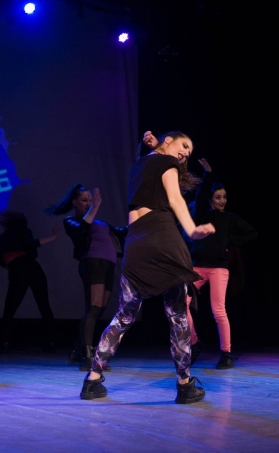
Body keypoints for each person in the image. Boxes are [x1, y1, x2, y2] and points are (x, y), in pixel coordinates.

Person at [79, 130, 215, 404]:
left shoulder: (139, 165)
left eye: (189, 152)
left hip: (136, 243)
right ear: (168, 140)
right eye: (184, 145)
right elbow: (175, 199)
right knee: (177, 316)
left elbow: (150, 164)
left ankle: (92, 380)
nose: (185, 153)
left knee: (123, 316)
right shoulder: (167, 163)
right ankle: (185, 385)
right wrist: (191, 230)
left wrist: (151, 146)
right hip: (163, 239)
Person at [181, 157, 258, 369]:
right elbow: (200, 194)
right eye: (218, 197)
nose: (222, 201)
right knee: (181, 303)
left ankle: (226, 353)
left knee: (218, 310)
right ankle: (194, 343)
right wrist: (207, 174)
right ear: (210, 199)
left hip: (218, 268)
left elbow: (253, 233)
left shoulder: (230, 218)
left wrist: (230, 241)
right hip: (197, 266)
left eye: (224, 197)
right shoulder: (202, 214)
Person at [43, 184, 127, 371]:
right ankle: (88, 357)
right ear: (74, 202)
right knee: (94, 308)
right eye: (84, 200)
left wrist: (141, 219)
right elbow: (81, 229)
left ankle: (77, 350)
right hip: (93, 263)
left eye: (90, 200)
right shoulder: (71, 220)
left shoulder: (99, 222)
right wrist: (94, 207)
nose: (89, 203)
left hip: (109, 265)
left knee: (99, 310)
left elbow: (121, 231)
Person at [0, 209, 61, 353]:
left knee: (10, 307)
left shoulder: (3, 237)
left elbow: (0, 260)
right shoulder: (25, 232)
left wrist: (12, 264)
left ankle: (4, 342)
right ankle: (51, 342)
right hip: (32, 268)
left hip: (18, 269)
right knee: (44, 305)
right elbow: (31, 249)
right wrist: (52, 237)